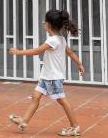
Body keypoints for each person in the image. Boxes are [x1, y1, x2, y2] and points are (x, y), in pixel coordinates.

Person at [8, 9, 85, 137]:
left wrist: (18, 52)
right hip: (47, 76)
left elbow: (37, 51)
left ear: (48, 25)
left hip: (53, 78)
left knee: (62, 101)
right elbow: (70, 52)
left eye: (45, 21)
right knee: (36, 97)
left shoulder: (53, 40)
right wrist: (79, 63)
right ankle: (24, 121)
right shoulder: (60, 39)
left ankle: (75, 126)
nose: (43, 23)